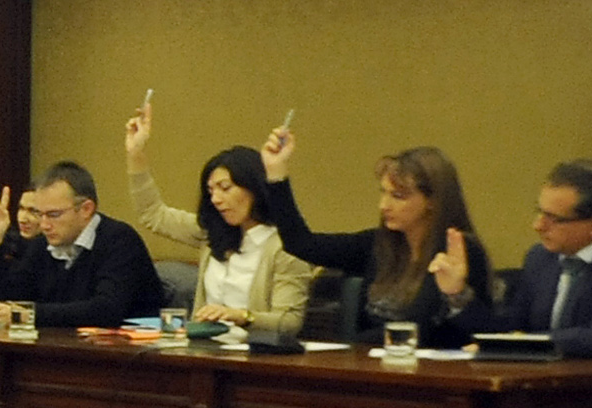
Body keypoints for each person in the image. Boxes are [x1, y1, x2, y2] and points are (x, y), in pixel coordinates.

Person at [258, 126, 494, 346]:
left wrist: (457, 293)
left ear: (432, 201)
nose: (384, 205)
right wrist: (276, 175)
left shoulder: (459, 254)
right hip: (375, 362)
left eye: (398, 196)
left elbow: (428, 328)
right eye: (383, 193)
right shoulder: (378, 244)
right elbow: (301, 244)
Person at [120, 100, 313, 336]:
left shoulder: (286, 248)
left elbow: (289, 322)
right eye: (211, 191)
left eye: (225, 188)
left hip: (253, 352)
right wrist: (136, 153)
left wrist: (241, 316)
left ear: (253, 187)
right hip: (204, 347)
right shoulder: (212, 233)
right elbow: (153, 213)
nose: (216, 199)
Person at [0, 160, 167, 328]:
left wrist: (31, 315)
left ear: (86, 209)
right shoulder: (41, 245)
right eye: (40, 214)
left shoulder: (120, 240)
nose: (44, 225)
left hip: (126, 353)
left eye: (54, 214)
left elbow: (106, 309)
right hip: (59, 346)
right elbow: (1, 302)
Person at [502, 160, 592, 357]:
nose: (538, 226)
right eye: (540, 212)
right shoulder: (540, 258)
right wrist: (459, 295)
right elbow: (512, 328)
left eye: (553, 219)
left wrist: (532, 341)